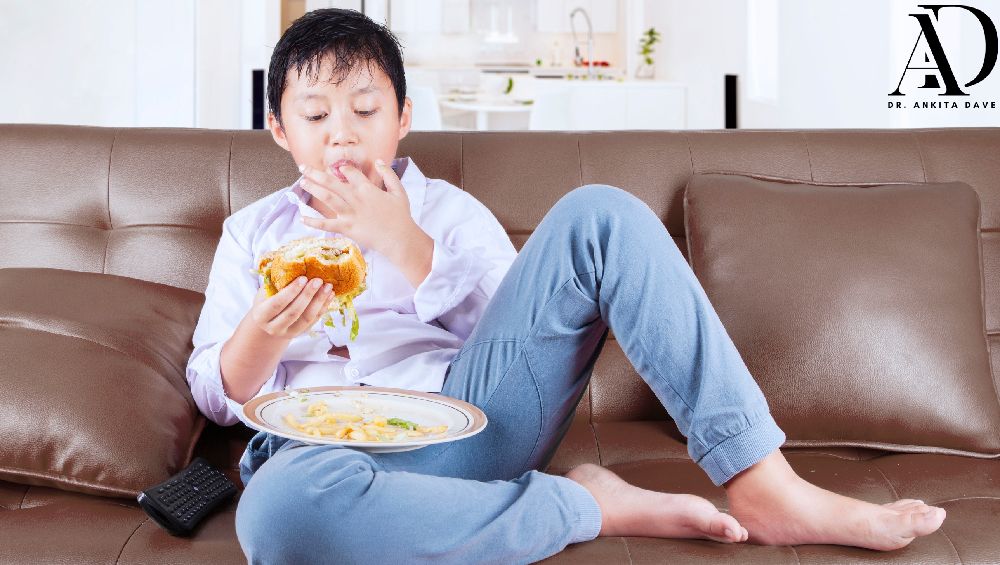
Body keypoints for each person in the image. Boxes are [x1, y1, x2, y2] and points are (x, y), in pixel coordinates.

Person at [185, 8, 947, 564]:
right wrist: (265, 333)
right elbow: (217, 393)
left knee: (601, 213)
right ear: (279, 129)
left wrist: (408, 246)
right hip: (320, 459)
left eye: (364, 109)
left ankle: (762, 478)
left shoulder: (448, 212)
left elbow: (522, 339)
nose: (341, 133)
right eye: (315, 114)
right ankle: (584, 504)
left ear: (404, 117)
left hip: (466, 430)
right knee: (278, 517)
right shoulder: (253, 234)